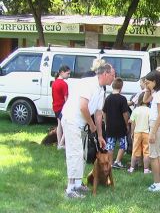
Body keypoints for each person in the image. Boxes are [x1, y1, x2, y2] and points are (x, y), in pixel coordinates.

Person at [61, 64, 115, 198]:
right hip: (72, 120)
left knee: (83, 154)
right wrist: (91, 125)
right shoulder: (88, 84)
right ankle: (70, 189)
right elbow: (83, 107)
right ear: (105, 74)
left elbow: (98, 113)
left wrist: (100, 135)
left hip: (82, 123)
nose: (114, 78)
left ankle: (78, 184)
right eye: (113, 75)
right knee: (75, 154)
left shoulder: (101, 90)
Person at [143, 70, 160, 192]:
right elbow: (145, 100)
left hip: (156, 126)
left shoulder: (159, 95)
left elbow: (159, 115)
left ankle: (157, 183)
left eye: (148, 83)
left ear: (155, 81)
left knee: (153, 157)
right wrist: (148, 89)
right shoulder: (158, 92)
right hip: (157, 126)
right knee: (157, 156)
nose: (146, 85)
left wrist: (152, 132)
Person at [103, 77, 130, 168]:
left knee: (110, 145)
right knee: (123, 144)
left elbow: (104, 112)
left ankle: (110, 163)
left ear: (112, 86)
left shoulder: (108, 98)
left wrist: (106, 122)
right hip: (121, 126)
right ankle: (117, 161)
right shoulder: (122, 99)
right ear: (121, 87)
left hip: (110, 125)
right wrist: (127, 124)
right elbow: (125, 113)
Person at [127, 93, 151, 174]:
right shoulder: (149, 110)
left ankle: (132, 168)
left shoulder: (136, 110)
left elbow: (132, 122)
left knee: (135, 151)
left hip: (137, 132)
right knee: (146, 152)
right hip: (146, 133)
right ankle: (146, 169)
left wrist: (132, 132)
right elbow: (150, 122)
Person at [52, 65, 70, 150]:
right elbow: (66, 99)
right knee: (66, 126)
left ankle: (59, 143)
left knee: (59, 125)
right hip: (62, 108)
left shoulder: (55, 82)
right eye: (68, 73)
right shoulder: (64, 84)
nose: (69, 76)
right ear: (62, 72)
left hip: (56, 107)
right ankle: (61, 143)